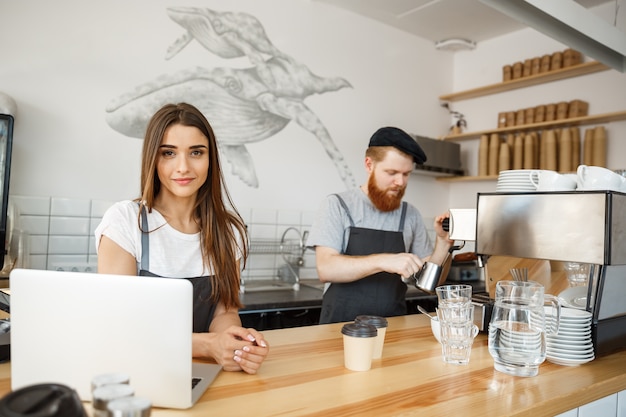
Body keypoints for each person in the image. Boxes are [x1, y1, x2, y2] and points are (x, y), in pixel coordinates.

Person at [95, 102, 269, 374]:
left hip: (202, 372)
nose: (183, 167)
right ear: (153, 158)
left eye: (196, 152)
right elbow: (120, 326)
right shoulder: (124, 221)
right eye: (169, 153)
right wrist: (209, 345)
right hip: (138, 370)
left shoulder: (229, 231)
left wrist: (235, 342)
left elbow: (224, 312)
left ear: (210, 159)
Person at [307, 126, 454, 324]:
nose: (400, 182)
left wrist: (443, 244)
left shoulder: (409, 214)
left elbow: (431, 284)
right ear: (369, 165)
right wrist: (384, 261)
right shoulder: (338, 205)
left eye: (406, 174)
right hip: (340, 327)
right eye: (392, 172)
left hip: (393, 328)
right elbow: (326, 268)